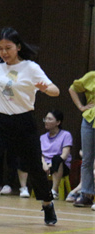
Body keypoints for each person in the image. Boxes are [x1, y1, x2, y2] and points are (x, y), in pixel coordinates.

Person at [0, 27, 59, 226]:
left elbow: (55, 90)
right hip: (0, 122)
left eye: (8, 48)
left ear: (18, 47)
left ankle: (47, 202)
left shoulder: (30, 67)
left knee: (34, 168)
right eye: (0, 48)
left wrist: (46, 88)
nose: (4, 52)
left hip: (24, 123)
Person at [19, 110, 71, 200]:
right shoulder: (42, 137)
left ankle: (54, 191)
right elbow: (39, 154)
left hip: (60, 165)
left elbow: (64, 155)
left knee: (57, 159)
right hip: (44, 164)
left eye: (49, 119)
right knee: (23, 158)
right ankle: (24, 189)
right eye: (45, 119)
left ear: (58, 122)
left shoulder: (66, 135)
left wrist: (50, 165)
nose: (46, 121)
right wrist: (44, 164)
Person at [69, 71, 95, 208]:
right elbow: (72, 88)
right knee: (87, 159)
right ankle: (86, 194)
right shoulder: (91, 76)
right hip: (89, 119)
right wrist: (81, 107)